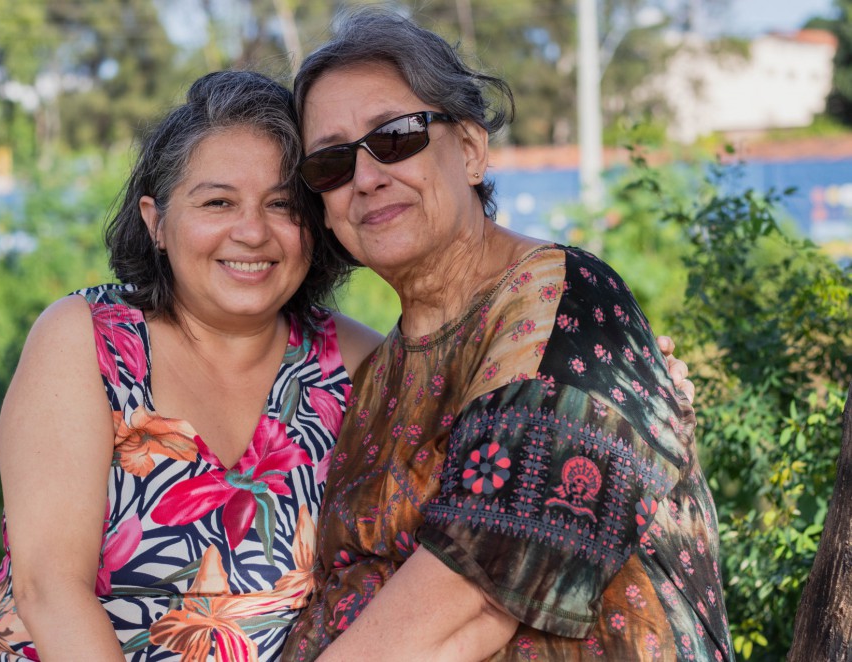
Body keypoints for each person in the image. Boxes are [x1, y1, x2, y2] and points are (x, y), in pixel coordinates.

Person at [283, 8, 733, 662]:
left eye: (396, 136)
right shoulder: (379, 369)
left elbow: (478, 595)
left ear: (469, 149)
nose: (366, 176)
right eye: (330, 162)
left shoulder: (562, 304)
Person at [0, 71, 382, 661]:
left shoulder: (359, 364)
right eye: (218, 202)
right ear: (156, 220)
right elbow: (49, 587)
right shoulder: (87, 340)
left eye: (282, 205)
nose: (252, 231)